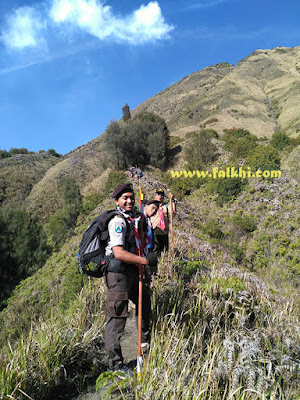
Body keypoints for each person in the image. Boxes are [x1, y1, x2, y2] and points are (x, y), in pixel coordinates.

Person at [104, 183, 156, 373]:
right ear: (117, 200)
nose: (129, 200)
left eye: (131, 197)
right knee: (117, 317)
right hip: (118, 275)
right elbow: (118, 253)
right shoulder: (117, 222)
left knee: (145, 304)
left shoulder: (134, 218)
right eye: (125, 198)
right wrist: (144, 261)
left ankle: (144, 344)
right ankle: (116, 364)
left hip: (134, 272)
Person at [150, 187, 176, 255]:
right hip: (154, 231)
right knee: (155, 251)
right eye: (158, 194)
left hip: (164, 232)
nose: (160, 196)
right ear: (155, 195)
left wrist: (172, 200)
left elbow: (173, 212)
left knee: (164, 251)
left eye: (162, 195)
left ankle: (164, 264)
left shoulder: (166, 206)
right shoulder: (151, 205)